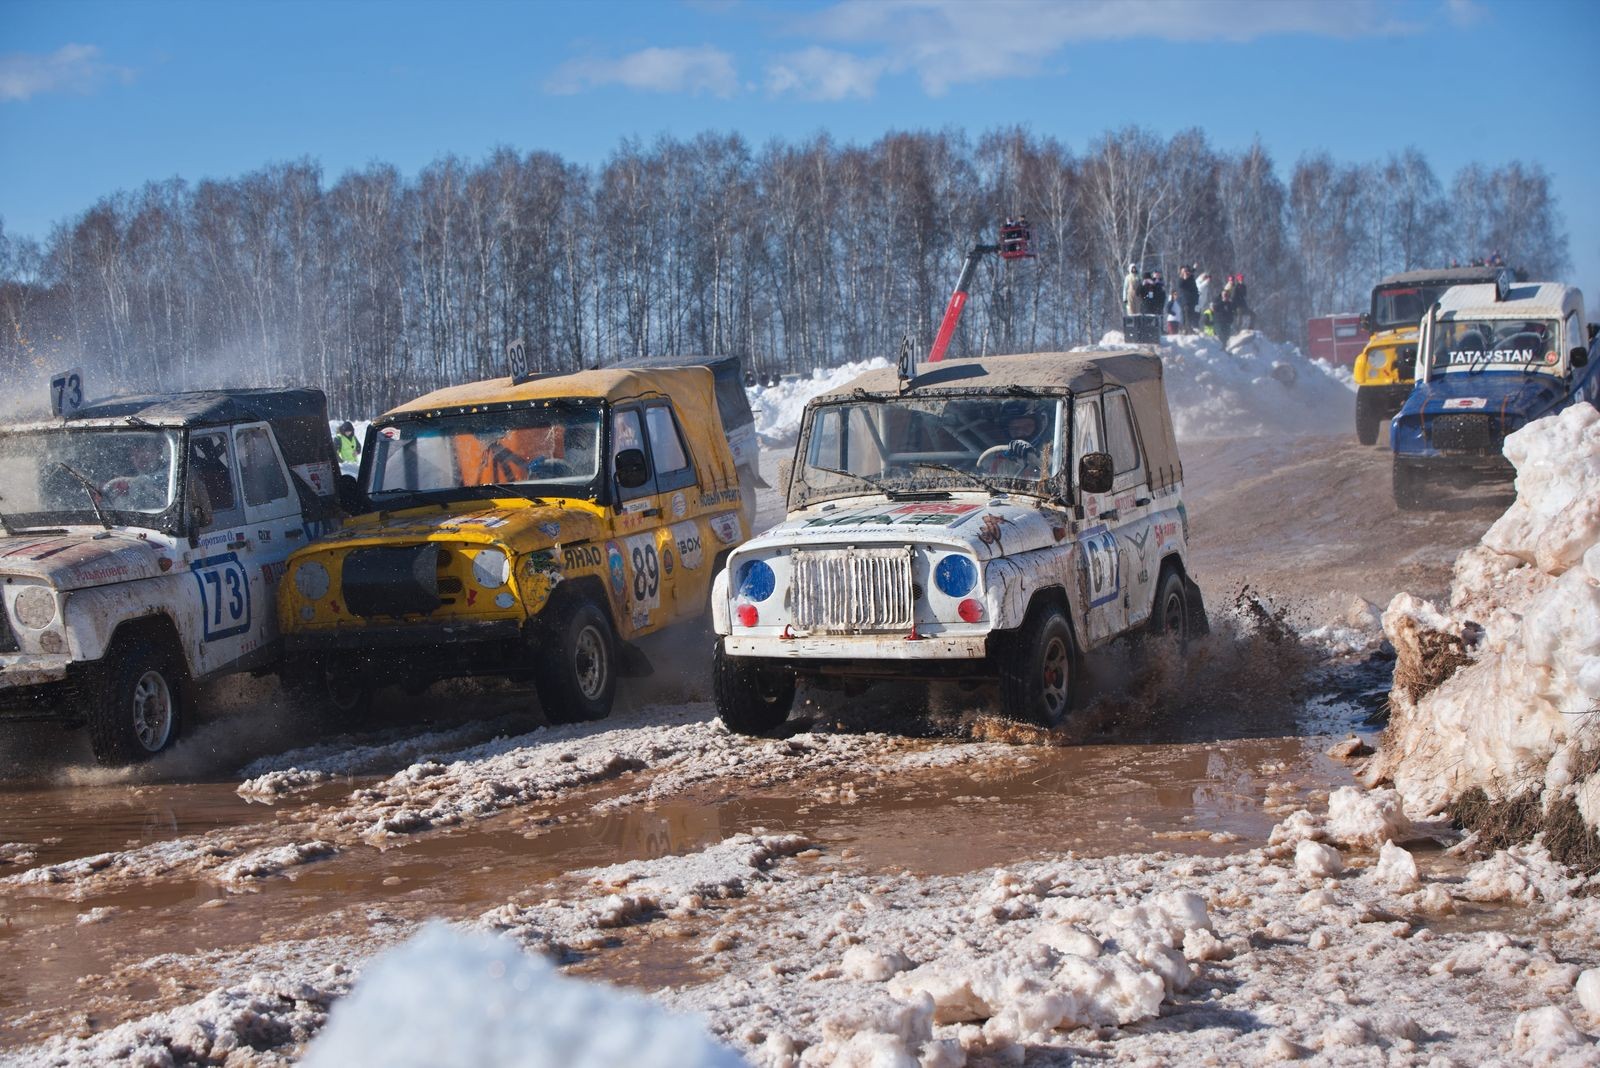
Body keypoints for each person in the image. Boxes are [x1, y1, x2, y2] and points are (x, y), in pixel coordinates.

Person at [102, 437, 171, 511]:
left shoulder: (169, 471)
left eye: (147, 450)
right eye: (136, 451)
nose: (141, 455)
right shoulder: (124, 471)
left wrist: (135, 482)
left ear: (158, 453)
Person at [1177, 266, 1200, 333]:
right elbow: (1180, 285)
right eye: (1184, 271)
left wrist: (1193, 269)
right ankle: (1184, 328)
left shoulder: (1191, 279)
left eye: (1187, 271)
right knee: (1186, 314)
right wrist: (1184, 278)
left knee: (1191, 314)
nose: (1186, 273)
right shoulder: (1181, 280)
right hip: (1185, 300)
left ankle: (1189, 328)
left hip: (1192, 300)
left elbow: (1191, 274)